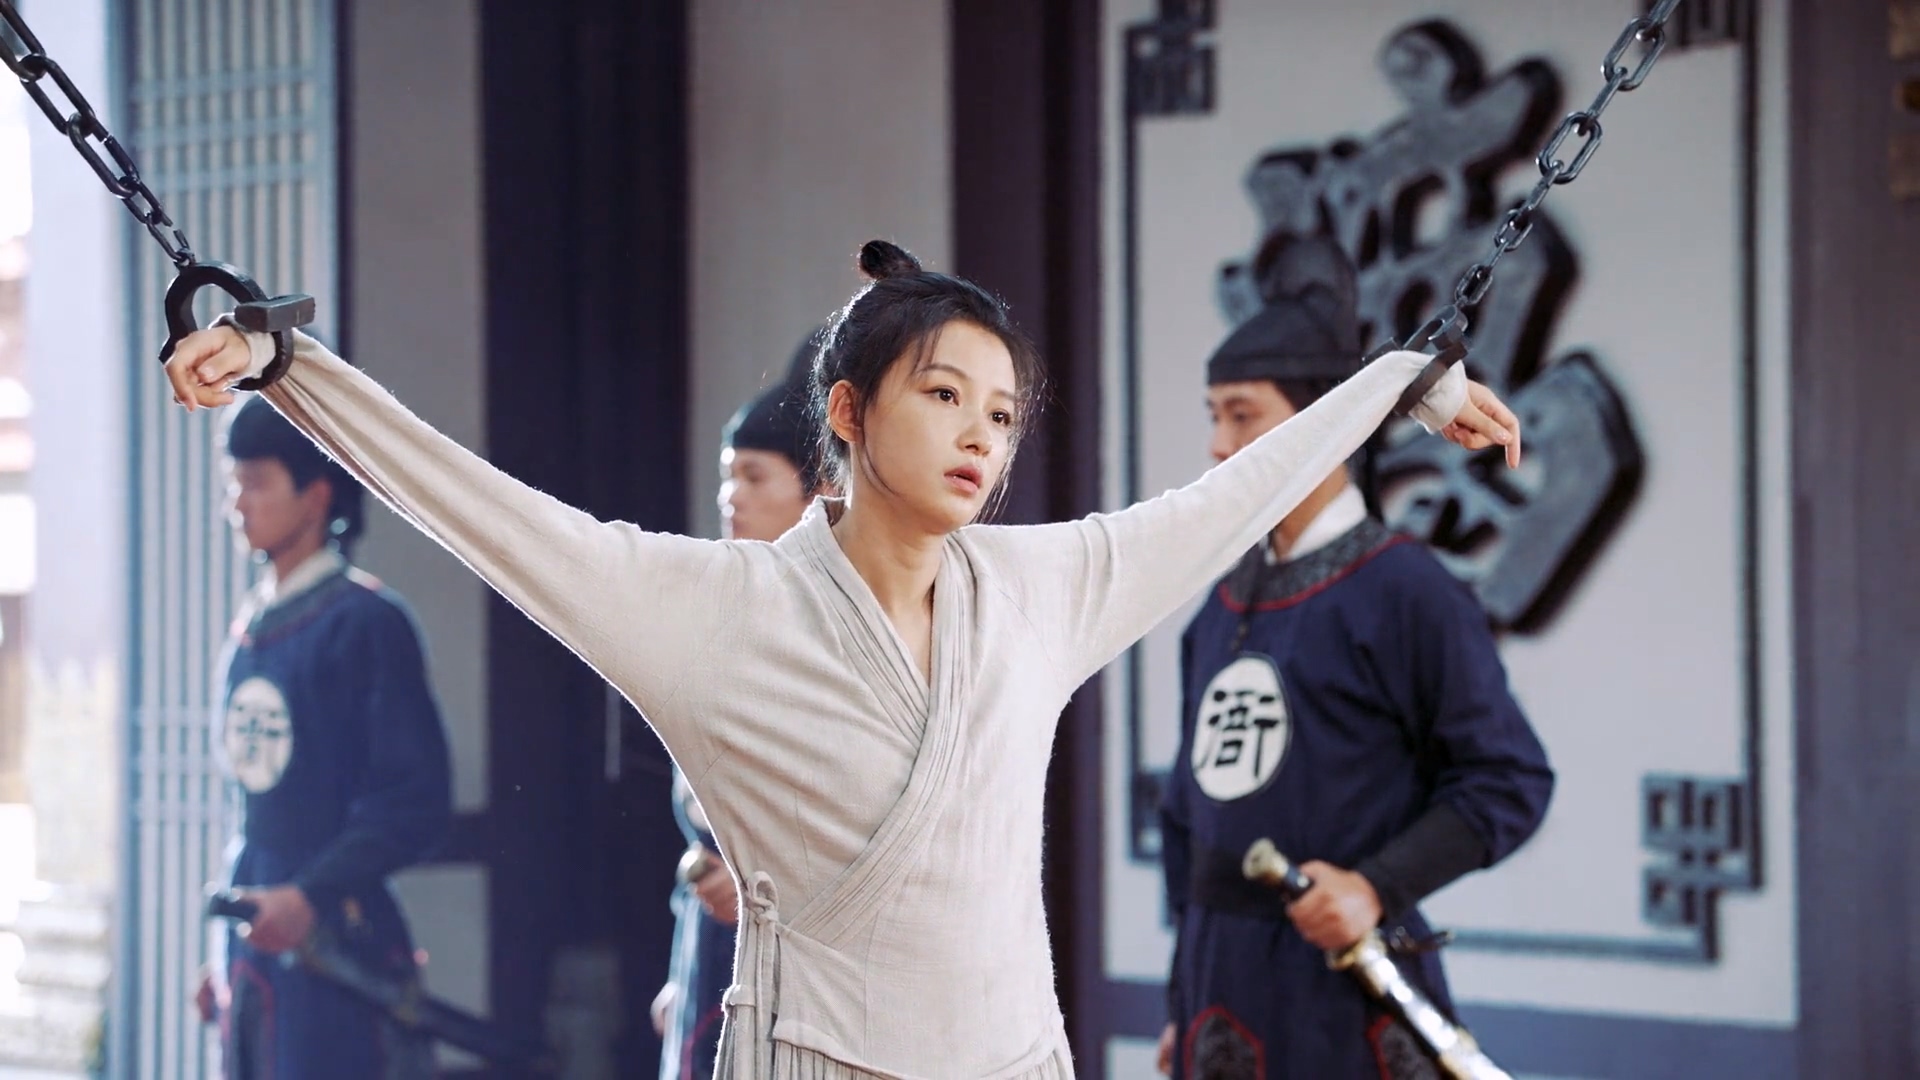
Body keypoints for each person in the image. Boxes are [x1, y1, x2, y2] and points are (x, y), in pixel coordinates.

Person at [163, 239, 1519, 1079]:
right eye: (946, 394)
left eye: (1004, 413)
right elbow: (492, 516)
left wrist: (1397, 383)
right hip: (811, 1060)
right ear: (850, 412)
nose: (982, 435)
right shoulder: (720, 607)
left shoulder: (1043, 588)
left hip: (1014, 1060)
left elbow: (1223, 500)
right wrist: (289, 367)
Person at [1154, 276, 1553, 1079]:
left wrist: (1374, 887)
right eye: (1214, 416)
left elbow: (1508, 778)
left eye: (1243, 415)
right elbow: (1188, 814)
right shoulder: (1219, 601)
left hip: (1343, 989)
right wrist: (1181, 1001)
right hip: (1218, 989)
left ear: (1321, 425)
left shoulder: (1407, 590)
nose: (1220, 445)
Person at [193, 395, 453, 1079]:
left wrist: (310, 895)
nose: (238, 503)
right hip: (257, 941)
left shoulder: (365, 622)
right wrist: (225, 952)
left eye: (257, 482)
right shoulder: (249, 628)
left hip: (337, 942)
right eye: (233, 483)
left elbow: (416, 802)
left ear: (316, 495)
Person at [654, 330, 834, 1080]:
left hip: (801, 948)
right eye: (728, 477)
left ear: (815, 493)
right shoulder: (721, 614)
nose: (732, 496)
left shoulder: (833, 626)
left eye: (756, 477)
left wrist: (768, 880)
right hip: (711, 932)